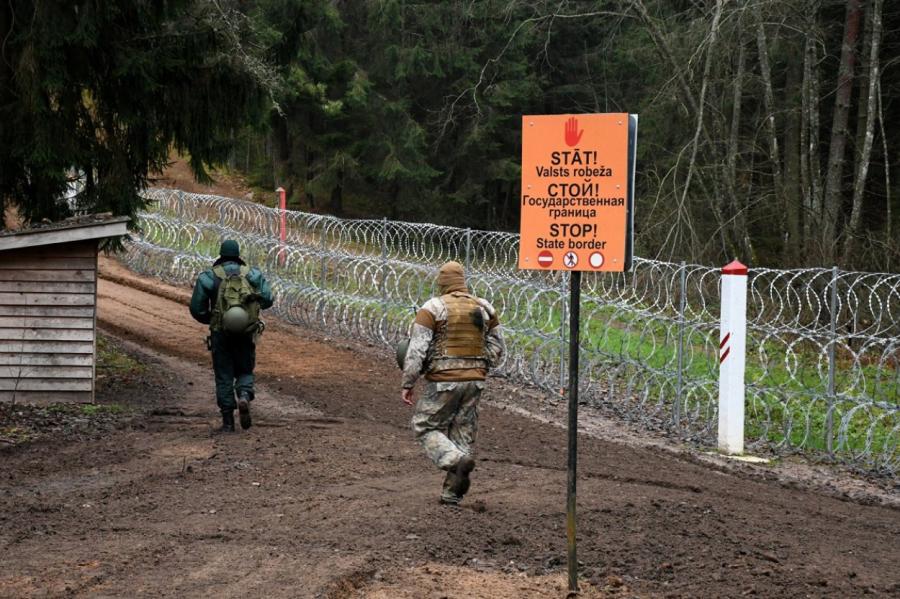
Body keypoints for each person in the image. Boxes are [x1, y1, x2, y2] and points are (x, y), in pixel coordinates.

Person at [401, 261, 505, 505]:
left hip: (443, 382)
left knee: (425, 426)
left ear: (442, 282)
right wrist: (481, 364)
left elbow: (417, 350)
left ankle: (454, 460)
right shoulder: (484, 307)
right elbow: (499, 347)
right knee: (463, 433)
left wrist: (408, 382)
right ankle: (452, 494)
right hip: (475, 381)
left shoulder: (432, 308)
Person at [189, 240, 274, 432]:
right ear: (238, 255)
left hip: (221, 332)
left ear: (221, 255)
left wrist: (212, 319)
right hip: (246, 331)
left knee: (224, 374)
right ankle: (244, 395)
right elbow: (267, 299)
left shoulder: (209, 277)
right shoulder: (251, 274)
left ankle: (228, 422)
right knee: (245, 369)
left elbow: (196, 309)